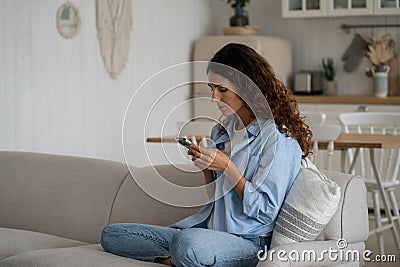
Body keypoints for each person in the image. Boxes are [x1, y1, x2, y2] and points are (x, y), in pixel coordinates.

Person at [101, 43, 313, 267]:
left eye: (222, 90)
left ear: (247, 87)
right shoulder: (222, 130)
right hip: (209, 231)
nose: (214, 98)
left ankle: (185, 257)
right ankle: (180, 260)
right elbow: (215, 198)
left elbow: (265, 211)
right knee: (113, 235)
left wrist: (227, 167)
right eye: (212, 88)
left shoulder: (278, 138)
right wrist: (207, 168)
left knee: (187, 243)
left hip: (250, 242)